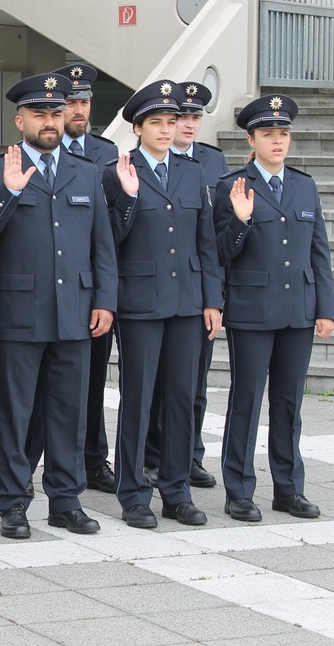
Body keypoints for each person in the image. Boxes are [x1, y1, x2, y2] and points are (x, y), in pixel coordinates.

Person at [0, 72, 115, 538]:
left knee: (69, 412)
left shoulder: (87, 172)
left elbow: (102, 246)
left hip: (75, 309)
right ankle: (13, 502)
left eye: (56, 113)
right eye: (40, 114)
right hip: (19, 311)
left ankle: (65, 499)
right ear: (20, 119)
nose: (50, 121)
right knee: (15, 413)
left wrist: (104, 301)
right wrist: (9, 193)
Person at [102, 80, 224, 529]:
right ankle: (134, 494)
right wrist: (130, 197)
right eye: (157, 122)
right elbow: (109, 239)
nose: (167, 130)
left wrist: (212, 299)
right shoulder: (118, 170)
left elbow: (205, 242)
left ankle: (176, 491)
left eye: (172, 122)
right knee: (138, 399)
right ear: (138, 127)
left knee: (180, 398)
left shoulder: (193, 172)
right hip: (140, 303)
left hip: (187, 302)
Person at [215, 94, 334, 522]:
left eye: (283, 134)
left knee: (289, 403)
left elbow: (318, 251)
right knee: (245, 400)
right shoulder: (232, 186)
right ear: (252, 139)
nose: (278, 141)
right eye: (268, 134)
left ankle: (288, 488)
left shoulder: (304, 185)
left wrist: (326, 308)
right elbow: (220, 253)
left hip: (298, 310)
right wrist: (241, 220)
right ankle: (239, 490)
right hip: (251, 309)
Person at [38, 62, 121, 495]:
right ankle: (35, 462)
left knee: (87, 385)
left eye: (83, 102)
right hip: (41, 294)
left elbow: (108, 234)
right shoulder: (28, 155)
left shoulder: (107, 154)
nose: (77, 110)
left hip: (87, 290)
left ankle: (91, 459)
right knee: (38, 394)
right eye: (69, 102)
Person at [145, 82, 230, 489]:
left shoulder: (208, 164)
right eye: (182, 118)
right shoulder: (127, 168)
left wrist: (213, 296)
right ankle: (149, 458)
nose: (185, 125)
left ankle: (187, 460)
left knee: (190, 387)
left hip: (193, 289)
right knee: (149, 389)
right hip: (149, 291)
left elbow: (210, 237)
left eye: (193, 117)